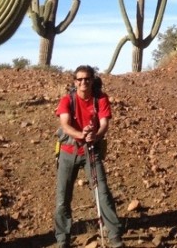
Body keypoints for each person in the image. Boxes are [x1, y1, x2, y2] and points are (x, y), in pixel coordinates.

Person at [54, 65, 123, 248]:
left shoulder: (100, 99)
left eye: (87, 79)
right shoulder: (67, 100)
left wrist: (95, 135)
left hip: (91, 151)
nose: (83, 82)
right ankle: (63, 240)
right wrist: (81, 134)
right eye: (79, 79)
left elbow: (104, 124)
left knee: (102, 194)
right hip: (68, 153)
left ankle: (115, 237)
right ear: (74, 81)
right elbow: (65, 125)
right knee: (62, 198)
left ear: (92, 80)